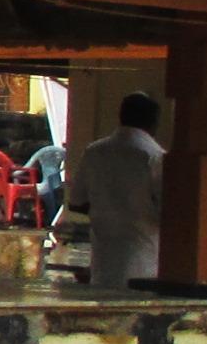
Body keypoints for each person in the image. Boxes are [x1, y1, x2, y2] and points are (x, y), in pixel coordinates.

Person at [64, 93, 163, 290]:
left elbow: (76, 202)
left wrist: (106, 209)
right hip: (144, 260)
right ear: (154, 122)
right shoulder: (155, 156)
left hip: (103, 258)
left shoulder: (94, 151)